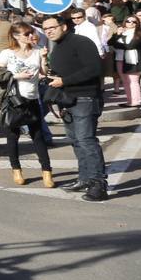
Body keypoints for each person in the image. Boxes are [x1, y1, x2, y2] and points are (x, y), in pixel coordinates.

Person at [44, 13, 109, 201]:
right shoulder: (58, 47)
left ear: (64, 26)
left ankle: (99, 184)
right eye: (46, 29)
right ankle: (85, 179)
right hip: (67, 100)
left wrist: (64, 80)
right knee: (76, 141)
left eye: (52, 27)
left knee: (86, 140)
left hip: (85, 98)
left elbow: (95, 69)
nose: (48, 31)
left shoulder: (81, 42)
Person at [0, 24, 54, 188]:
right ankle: (16, 169)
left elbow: (44, 72)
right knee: (13, 137)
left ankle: (47, 172)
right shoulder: (7, 53)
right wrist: (16, 76)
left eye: (31, 33)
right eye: (26, 33)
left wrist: (44, 58)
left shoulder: (37, 50)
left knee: (38, 136)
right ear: (16, 36)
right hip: (14, 100)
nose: (30, 36)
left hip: (33, 99)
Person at [108, 16, 141, 108]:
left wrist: (117, 44)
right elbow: (109, 42)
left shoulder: (139, 34)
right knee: (125, 81)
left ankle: (136, 102)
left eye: (134, 22)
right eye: (128, 21)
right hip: (120, 59)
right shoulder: (121, 32)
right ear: (125, 22)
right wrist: (117, 34)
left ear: (137, 24)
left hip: (132, 60)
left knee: (133, 81)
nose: (131, 23)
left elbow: (130, 46)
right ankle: (130, 101)